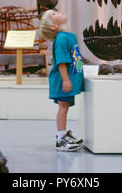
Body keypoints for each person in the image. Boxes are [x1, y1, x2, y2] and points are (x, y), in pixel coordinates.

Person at [39, 9, 84, 152]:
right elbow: (62, 63)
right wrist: (66, 80)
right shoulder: (62, 39)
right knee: (63, 108)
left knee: (64, 107)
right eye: (54, 14)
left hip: (67, 79)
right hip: (61, 80)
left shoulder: (67, 36)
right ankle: (60, 138)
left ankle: (63, 134)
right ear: (53, 26)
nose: (58, 12)